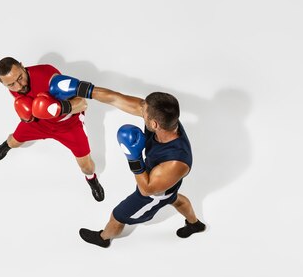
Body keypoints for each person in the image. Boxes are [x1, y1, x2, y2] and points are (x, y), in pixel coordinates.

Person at [48, 75, 206, 247]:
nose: (140, 110)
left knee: (118, 216)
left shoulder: (175, 161)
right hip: (167, 185)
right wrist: (83, 89)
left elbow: (146, 189)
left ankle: (103, 238)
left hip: (152, 194)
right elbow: (116, 98)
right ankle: (195, 224)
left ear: (154, 124)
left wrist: (134, 157)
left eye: (144, 111)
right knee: (176, 199)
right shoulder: (165, 121)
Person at [0, 57, 104, 201]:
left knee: (87, 167)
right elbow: (25, 105)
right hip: (38, 124)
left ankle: (92, 180)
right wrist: (26, 117)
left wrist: (59, 109)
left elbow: (82, 104)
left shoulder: (48, 76)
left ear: (22, 66)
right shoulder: (14, 87)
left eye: (20, 78)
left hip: (68, 125)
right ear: (2, 83)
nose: (19, 86)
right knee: (14, 142)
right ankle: (6, 146)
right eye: (11, 84)